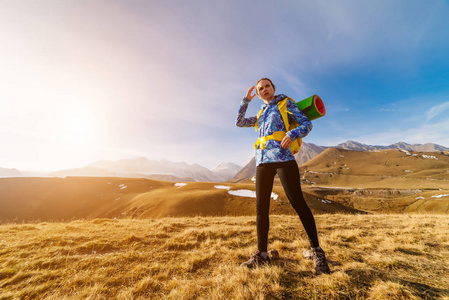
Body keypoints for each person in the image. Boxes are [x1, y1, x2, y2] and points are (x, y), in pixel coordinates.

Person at [235, 78, 330, 274]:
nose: (263, 90)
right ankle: (262, 255)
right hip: (262, 162)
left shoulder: (285, 103)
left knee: (297, 202)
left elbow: (306, 124)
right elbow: (239, 122)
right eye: (260, 89)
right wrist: (246, 100)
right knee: (261, 208)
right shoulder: (260, 113)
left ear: (273, 88)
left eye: (266, 87)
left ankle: (317, 252)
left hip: (283, 159)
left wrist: (292, 134)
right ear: (258, 94)